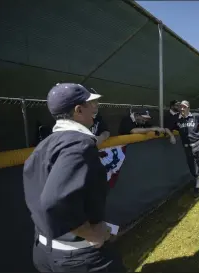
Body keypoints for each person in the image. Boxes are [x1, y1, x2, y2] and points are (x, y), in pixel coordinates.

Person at [23, 83, 126, 272]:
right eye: (90, 104)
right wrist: (90, 233)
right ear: (78, 110)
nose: (95, 108)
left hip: (44, 252)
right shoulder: (79, 144)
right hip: (78, 257)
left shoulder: (44, 145)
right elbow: (54, 200)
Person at [171, 100, 199, 197]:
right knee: (195, 171)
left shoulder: (195, 116)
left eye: (184, 107)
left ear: (188, 108)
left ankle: (196, 188)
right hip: (188, 147)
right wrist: (171, 135)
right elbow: (168, 127)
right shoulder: (177, 119)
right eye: (180, 107)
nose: (182, 109)